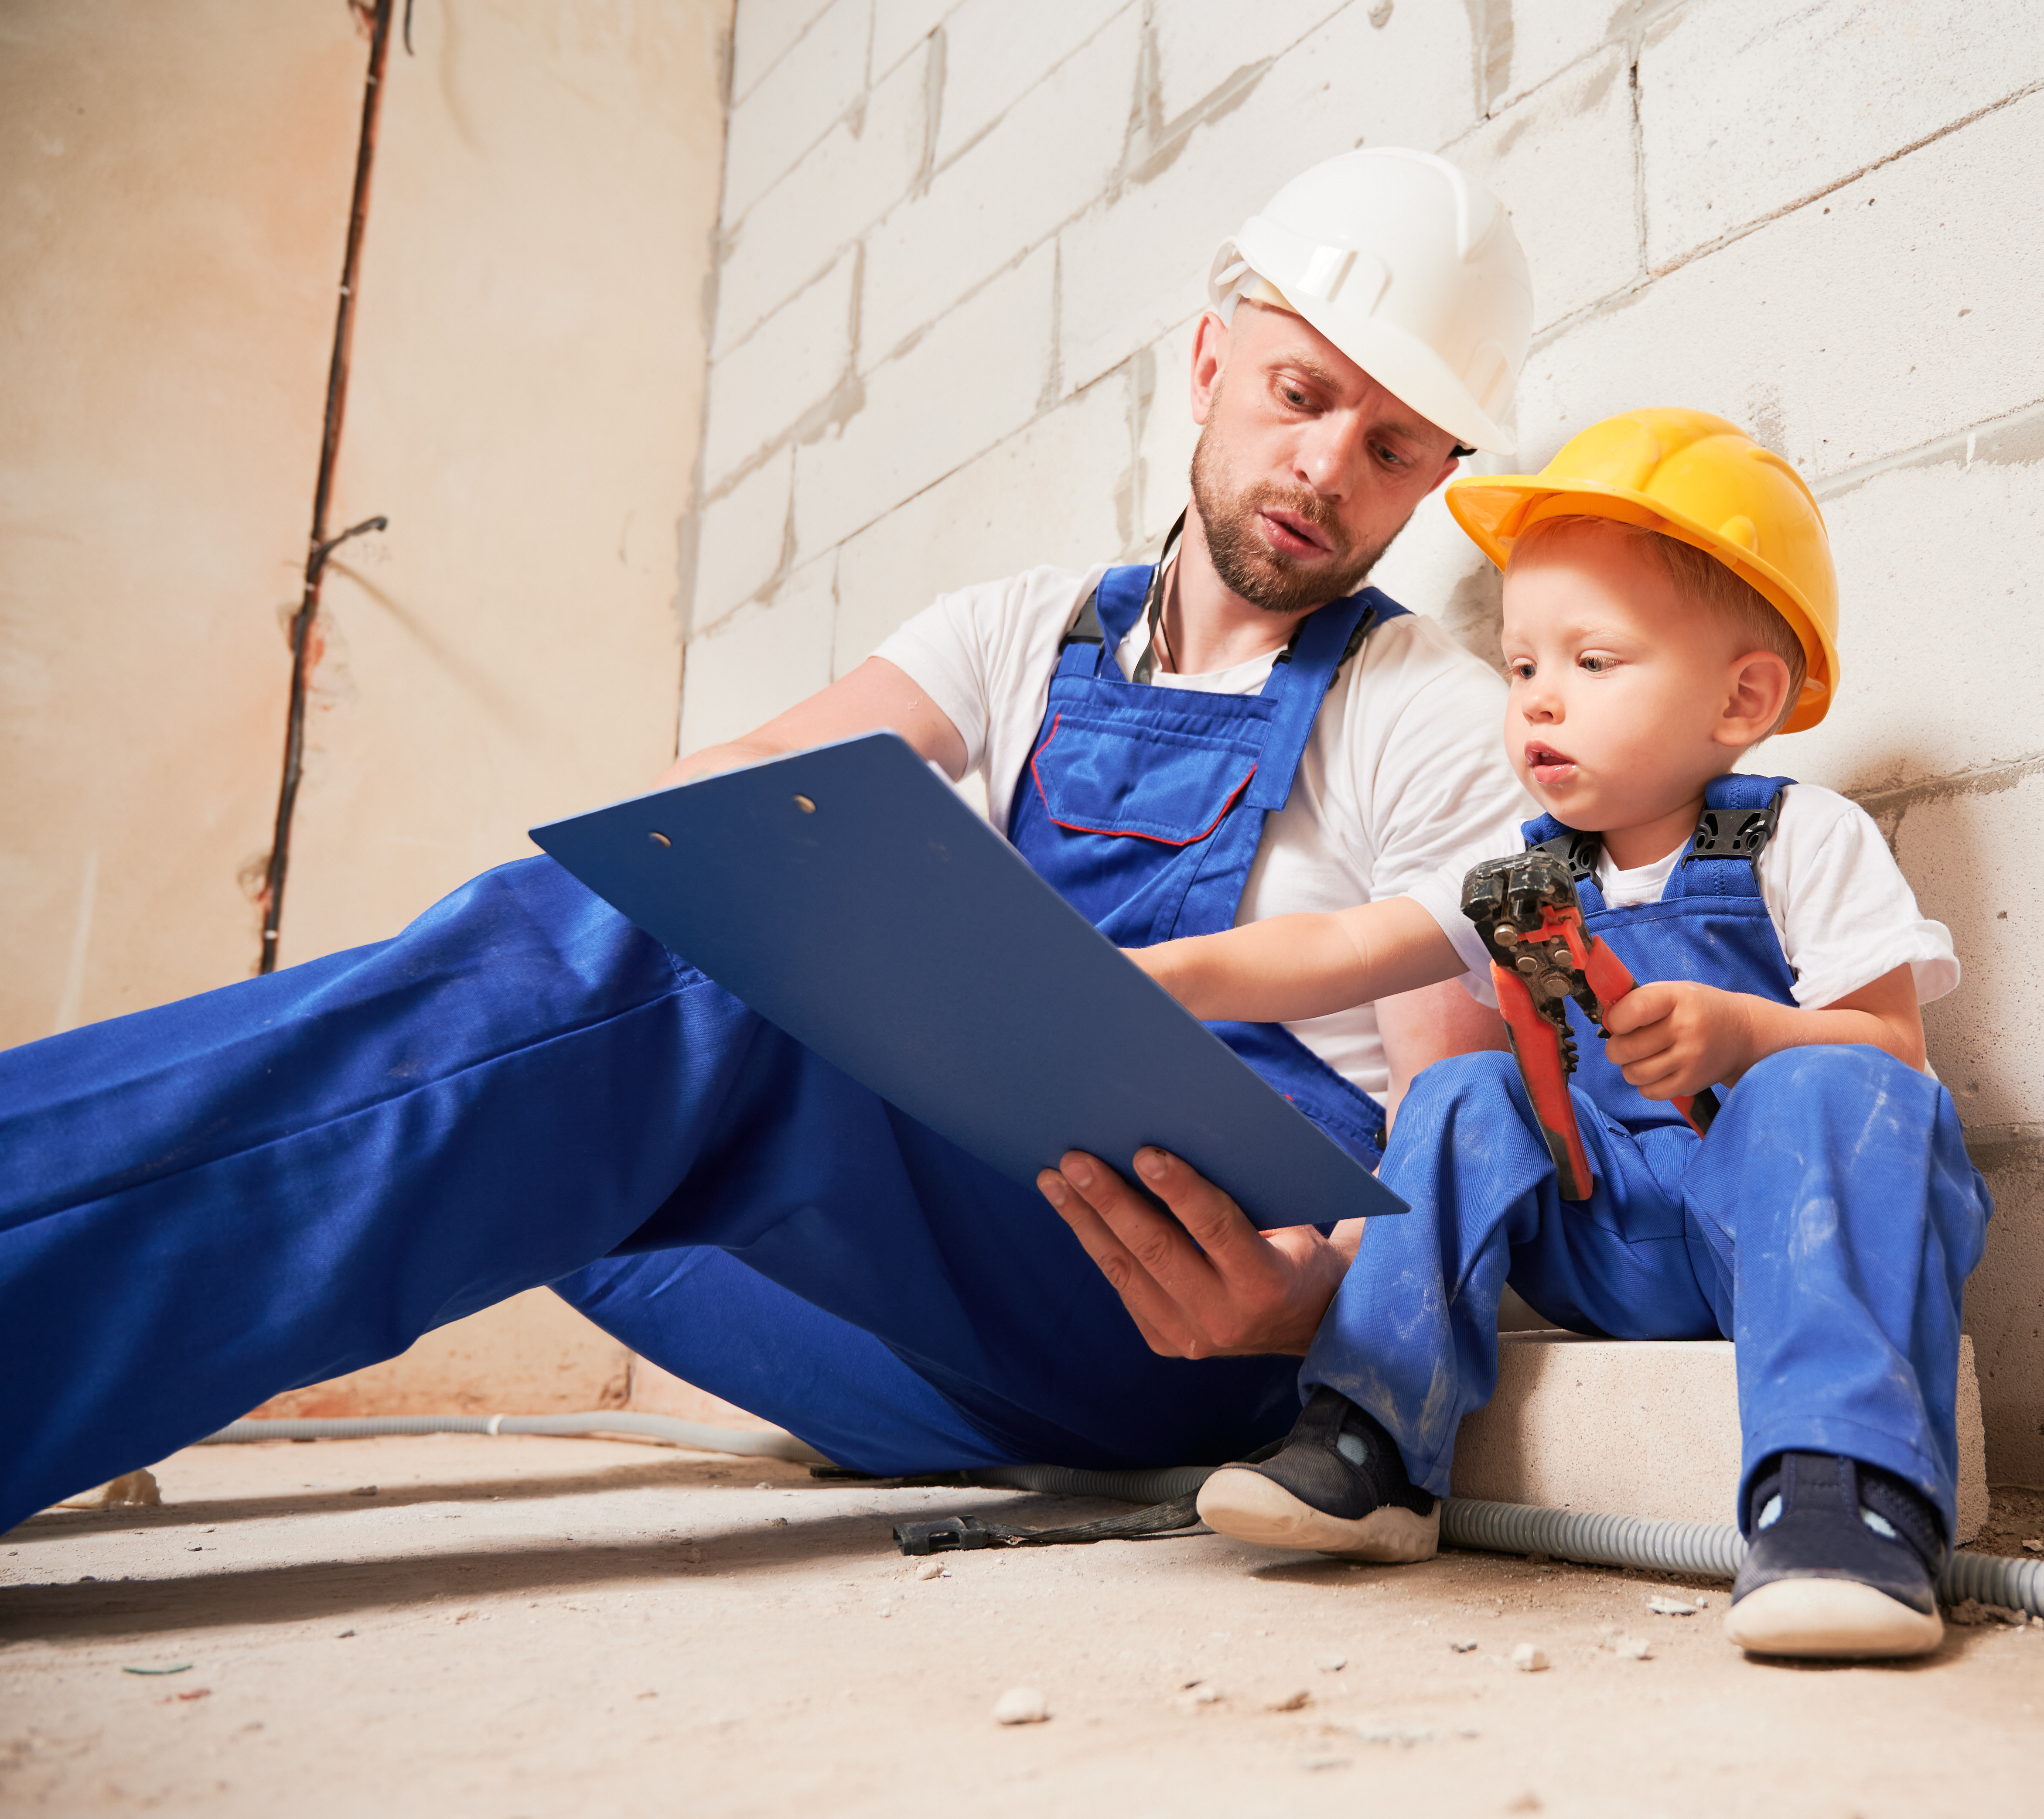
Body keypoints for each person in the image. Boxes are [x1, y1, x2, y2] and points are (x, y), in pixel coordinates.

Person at [0, 147, 1540, 1530]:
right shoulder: (1016, 632)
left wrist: (1314, 1309)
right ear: (1211, 362)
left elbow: (1452, 1115)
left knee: (674, 1011)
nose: (1331, 468)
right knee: (569, 1138)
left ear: (1435, 480)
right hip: (983, 1330)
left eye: (1397, 446)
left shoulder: (1423, 708)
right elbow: (723, 794)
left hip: (1201, 1316)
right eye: (1301, 394)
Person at [1120, 409, 1992, 1660]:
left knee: (1831, 1087)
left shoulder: (1803, 837)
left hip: (1774, 1225)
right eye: (1523, 666)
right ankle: (1369, 1440)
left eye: (1593, 662)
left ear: (1744, 695)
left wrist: (1744, 1033)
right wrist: (1169, 974)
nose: (1539, 701)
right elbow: (1350, 947)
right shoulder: (1528, 878)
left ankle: (1845, 1497)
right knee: (1465, 1089)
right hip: (1616, 1233)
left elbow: (1894, 1057)